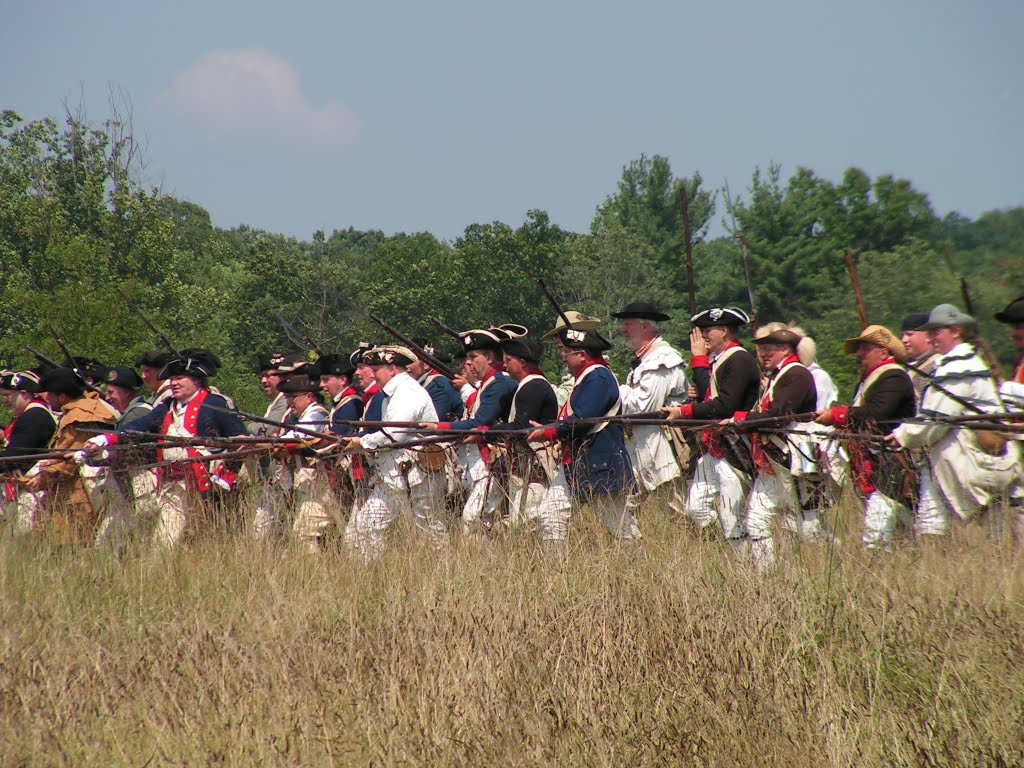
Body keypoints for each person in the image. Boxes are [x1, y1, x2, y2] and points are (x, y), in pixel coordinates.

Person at [83, 350, 249, 549]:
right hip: (174, 485)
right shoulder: (167, 406)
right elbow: (140, 426)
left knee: (210, 540)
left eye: (179, 378)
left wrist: (225, 476)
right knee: (164, 541)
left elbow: (241, 443)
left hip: (208, 485)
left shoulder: (216, 404)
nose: (174, 383)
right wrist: (106, 439)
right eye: (172, 379)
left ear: (196, 380)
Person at [885, 304, 1022, 538]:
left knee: (982, 534)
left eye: (936, 332)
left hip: (975, 460)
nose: (931, 338)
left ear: (955, 331)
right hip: (972, 457)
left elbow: (937, 419)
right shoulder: (961, 362)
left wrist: (902, 436)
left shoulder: (960, 365)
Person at [528, 327, 640, 548]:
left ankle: (642, 572)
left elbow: (583, 420)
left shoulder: (597, 377)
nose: (563, 357)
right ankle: (557, 573)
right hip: (579, 461)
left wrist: (549, 432)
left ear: (583, 354)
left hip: (600, 461)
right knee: (551, 516)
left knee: (620, 527)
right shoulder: (586, 377)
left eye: (567, 352)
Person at [663, 308, 759, 552]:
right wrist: (700, 362)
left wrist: (684, 412)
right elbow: (710, 397)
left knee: (731, 517)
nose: (703, 335)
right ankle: (728, 549)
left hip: (733, 447)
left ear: (724, 331)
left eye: (708, 330)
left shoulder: (739, 359)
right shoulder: (722, 360)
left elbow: (724, 406)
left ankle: (743, 564)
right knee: (696, 508)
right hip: (713, 448)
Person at [340, 346, 447, 561]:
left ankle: (442, 579)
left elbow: (394, 435)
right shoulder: (393, 393)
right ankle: (373, 575)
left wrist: (360, 442)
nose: (371, 374)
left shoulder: (407, 392)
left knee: (428, 532)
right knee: (367, 526)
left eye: (376, 369)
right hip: (395, 475)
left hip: (419, 473)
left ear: (392, 369)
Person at [815, 325, 915, 548]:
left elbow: (876, 413)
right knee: (900, 532)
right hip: (873, 462)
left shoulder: (894, 377)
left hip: (890, 461)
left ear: (884, 352)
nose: (859, 354)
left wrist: (837, 415)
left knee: (877, 538)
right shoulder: (870, 380)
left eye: (865, 348)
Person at [730, 327, 817, 570]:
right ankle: (766, 576)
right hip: (776, 460)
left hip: (794, 460)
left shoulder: (796, 374)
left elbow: (777, 416)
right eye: (761, 349)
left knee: (809, 528)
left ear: (786, 350)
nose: (763, 353)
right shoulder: (780, 375)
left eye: (770, 348)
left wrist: (740, 420)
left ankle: (803, 570)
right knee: (758, 521)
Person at [426, 328, 516, 533]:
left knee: (472, 518)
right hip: (480, 462)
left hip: (491, 461)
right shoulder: (487, 384)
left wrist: (439, 427)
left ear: (490, 357)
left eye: (474, 357)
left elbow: (480, 422)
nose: (468, 363)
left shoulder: (498, 384)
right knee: (478, 519)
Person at [612, 301, 690, 517]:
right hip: (641, 442)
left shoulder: (661, 359)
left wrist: (614, 387)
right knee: (624, 503)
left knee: (677, 510)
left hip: (660, 443)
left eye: (628, 324)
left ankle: (705, 542)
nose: (622, 329)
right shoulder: (646, 360)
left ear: (645, 326)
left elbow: (643, 407)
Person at [22, 367, 117, 543]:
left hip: (78, 494)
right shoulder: (77, 411)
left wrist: (42, 478)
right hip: (68, 491)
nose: (46, 398)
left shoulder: (81, 416)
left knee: (71, 545)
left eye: (49, 394)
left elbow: (68, 458)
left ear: (62, 396)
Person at [486, 337, 559, 527]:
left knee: (527, 518)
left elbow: (520, 427)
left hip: (536, 465)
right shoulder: (530, 385)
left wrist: (488, 432)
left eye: (508, 360)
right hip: (526, 464)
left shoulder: (533, 386)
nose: (504, 364)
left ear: (523, 362)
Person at [273, 373, 334, 550]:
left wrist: (272, 444)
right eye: (287, 397)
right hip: (309, 482)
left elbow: (298, 437)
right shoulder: (304, 415)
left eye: (293, 397)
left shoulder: (316, 414)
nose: (289, 402)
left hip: (319, 483)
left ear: (308, 397)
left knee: (304, 533)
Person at [0, 371, 58, 528]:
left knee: (25, 533)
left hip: (33, 484)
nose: (4, 400)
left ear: (24, 394)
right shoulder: (31, 413)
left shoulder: (34, 416)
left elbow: (16, 455)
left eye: (7, 395)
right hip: (27, 482)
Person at [900, 313, 937, 402]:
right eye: (902, 335)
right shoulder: (906, 367)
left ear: (928, 336)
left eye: (909, 334)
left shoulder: (937, 364)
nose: (903, 340)